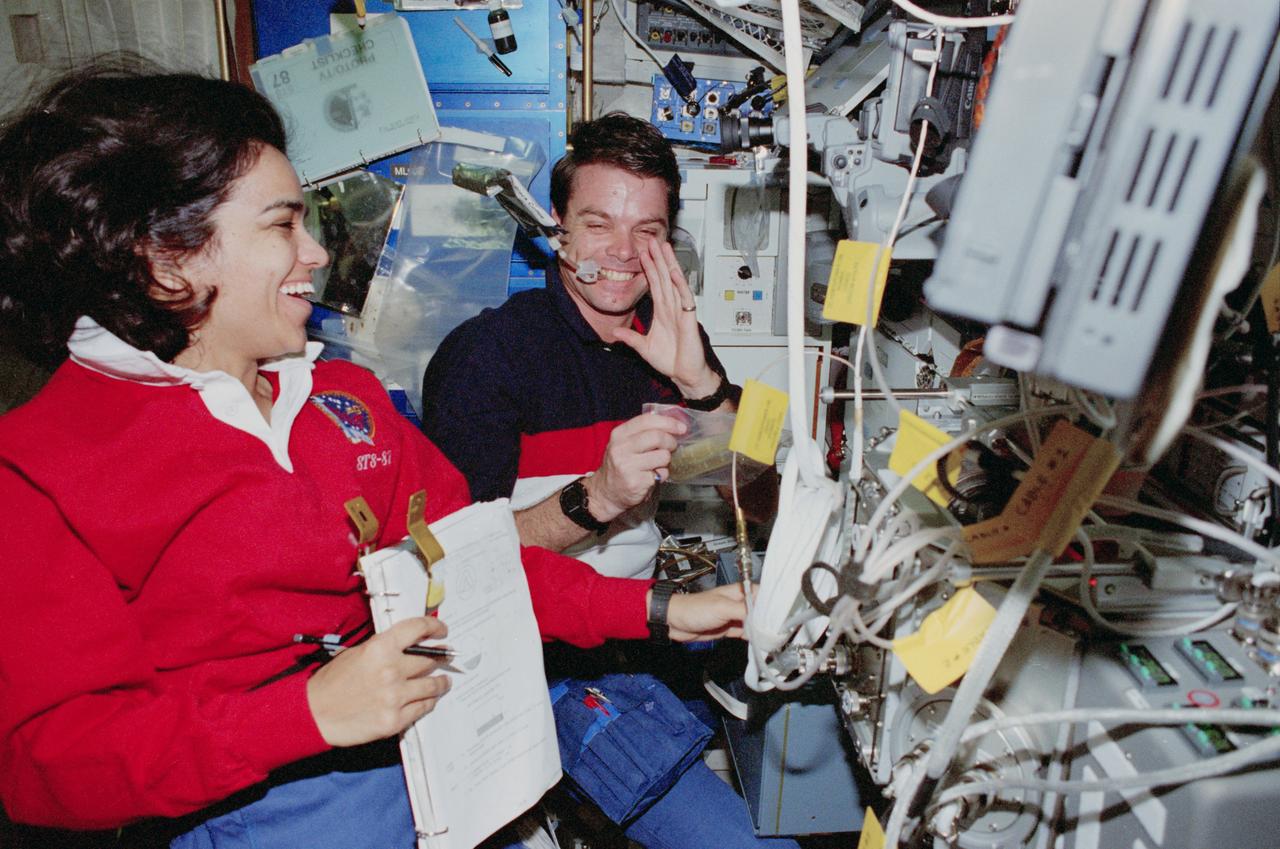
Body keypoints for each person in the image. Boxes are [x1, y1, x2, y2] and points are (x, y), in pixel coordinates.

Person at [0, 63, 753, 849]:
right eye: (283, 226)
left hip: (447, 754)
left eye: (650, 232)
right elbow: (45, 763)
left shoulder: (343, 398)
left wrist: (666, 596)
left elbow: (471, 565)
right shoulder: (42, 468)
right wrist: (309, 711)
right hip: (267, 802)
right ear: (166, 258)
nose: (317, 253)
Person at [421, 115, 796, 849]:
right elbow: (456, 575)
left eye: (646, 231)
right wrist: (595, 497)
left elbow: (765, 497)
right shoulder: (485, 357)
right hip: (533, 659)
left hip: (644, 630)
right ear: (556, 227)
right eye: (598, 224)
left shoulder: (672, 337)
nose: (623, 253)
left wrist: (703, 382)